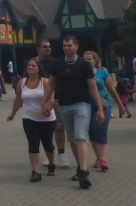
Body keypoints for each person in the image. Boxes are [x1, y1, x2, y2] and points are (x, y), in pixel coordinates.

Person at [45, 36, 104, 190]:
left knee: (81, 136)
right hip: (64, 105)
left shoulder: (84, 65)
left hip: (81, 104)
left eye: (70, 45)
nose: (67, 48)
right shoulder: (57, 63)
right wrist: (45, 101)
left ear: (76, 46)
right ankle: (80, 166)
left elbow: (92, 86)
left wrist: (100, 108)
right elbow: (51, 83)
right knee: (71, 138)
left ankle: (84, 172)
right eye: (64, 46)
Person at [7, 57, 56, 182]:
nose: (31, 67)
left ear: (39, 69)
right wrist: (13, 113)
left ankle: (51, 164)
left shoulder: (45, 82)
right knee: (33, 143)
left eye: (34, 66)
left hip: (46, 118)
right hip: (29, 118)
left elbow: (51, 98)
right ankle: (36, 171)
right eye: (29, 65)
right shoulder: (22, 83)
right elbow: (18, 99)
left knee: (48, 143)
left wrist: (47, 108)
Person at [84, 51, 125, 172]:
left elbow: (111, 89)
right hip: (86, 105)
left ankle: (102, 159)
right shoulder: (81, 72)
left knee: (100, 131)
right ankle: (98, 158)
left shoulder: (102, 72)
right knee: (91, 133)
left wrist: (120, 105)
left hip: (102, 105)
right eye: (85, 59)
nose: (87, 61)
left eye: (89, 59)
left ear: (95, 60)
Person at [35, 39, 69, 166]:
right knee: (44, 128)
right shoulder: (33, 63)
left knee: (59, 127)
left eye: (49, 47)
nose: (48, 49)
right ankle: (49, 153)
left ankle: (61, 153)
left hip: (56, 98)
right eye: (45, 47)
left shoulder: (56, 62)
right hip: (38, 98)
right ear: (38, 48)